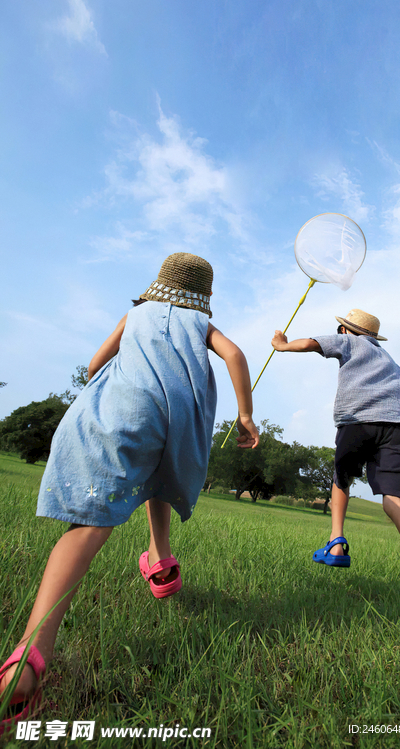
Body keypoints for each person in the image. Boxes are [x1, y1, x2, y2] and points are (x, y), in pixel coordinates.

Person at [0, 253, 259, 731]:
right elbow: (237, 356)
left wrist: (95, 387)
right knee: (159, 474)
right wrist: (245, 414)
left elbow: (101, 358)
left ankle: (30, 656)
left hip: (125, 412)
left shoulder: (137, 313)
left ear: (160, 284)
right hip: (172, 422)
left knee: (90, 525)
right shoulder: (201, 324)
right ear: (203, 295)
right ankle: (160, 559)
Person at [271, 308, 400, 641]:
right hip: (398, 427)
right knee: (395, 498)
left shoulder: (350, 343)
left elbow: (314, 344)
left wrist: (283, 345)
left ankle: (336, 542)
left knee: (342, 475)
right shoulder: (390, 362)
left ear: (345, 331)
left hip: (358, 421)